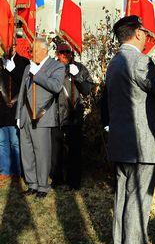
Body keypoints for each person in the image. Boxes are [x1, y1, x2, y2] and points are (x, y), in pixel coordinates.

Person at [105, 15, 155, 244]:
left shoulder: (114, 62)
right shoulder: (140, 60)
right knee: (138, 204)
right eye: (144, 31)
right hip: (142, 146)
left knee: (122, 201)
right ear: (138, 33)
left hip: (121, 143)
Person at [16, 37, 64, 198]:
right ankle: (32, 183)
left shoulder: (56, 66)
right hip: (25, 116)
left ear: (44, 51)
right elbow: (22, 92)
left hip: (42, 117)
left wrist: (38, 75)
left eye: (35, 50)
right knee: (27, 152)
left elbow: (56, 87)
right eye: (32, 50)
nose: (32, 53)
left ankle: (43, 186)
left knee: (42, 152)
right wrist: (18, 115)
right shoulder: (28, 67)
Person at [51, 43, 94, 190]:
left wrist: (78, 76)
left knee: (75, 151)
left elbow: (88, 90)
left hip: (74, 116)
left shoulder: (80, 68)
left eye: (67, 52)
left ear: (72, 53)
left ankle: (73, 181)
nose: (65, 55)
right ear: (57, 53)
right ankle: (57, 179)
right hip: (55, 115)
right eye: (61, 52)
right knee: (55, 151)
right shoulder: (51, 67)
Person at [0, 43, 29, 177]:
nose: (8, 49)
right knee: (2, 142)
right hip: (1, 109)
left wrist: (13, 69)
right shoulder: (0, 63)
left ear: (15, 46)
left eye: (10, 46)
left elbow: (26, 83)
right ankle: (5, 172)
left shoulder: (23, 62)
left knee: (15, 142)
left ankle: (17, 172)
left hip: (16, 108)